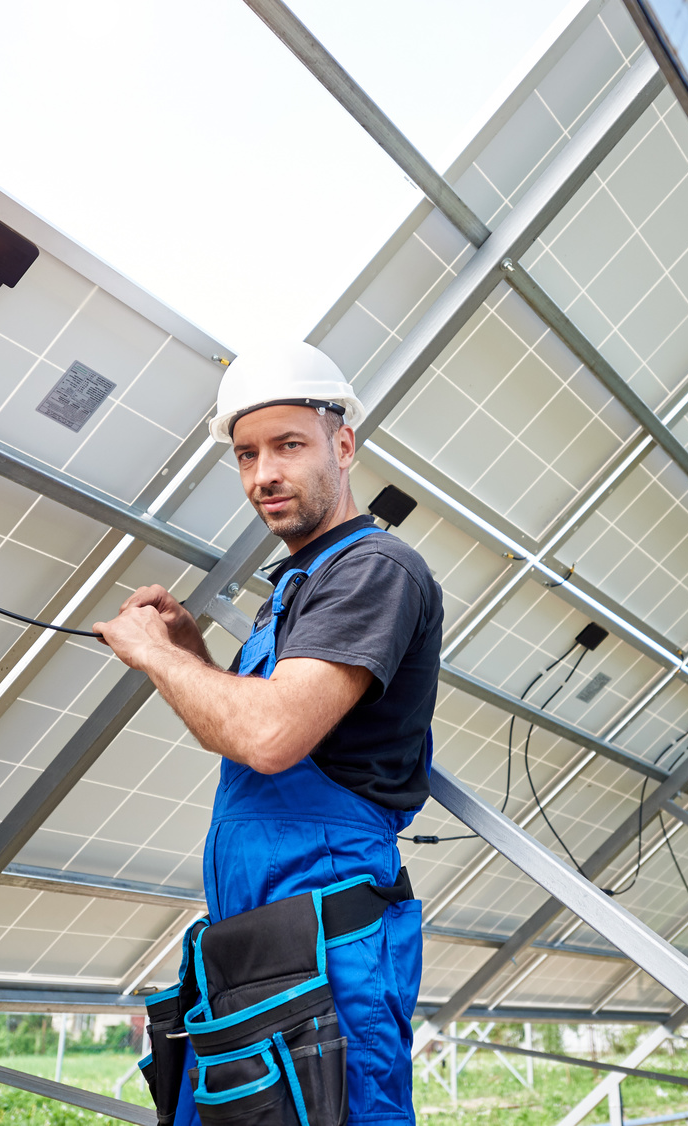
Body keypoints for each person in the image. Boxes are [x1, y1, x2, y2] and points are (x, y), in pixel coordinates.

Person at [94, 340, 442, 1126]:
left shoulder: (371, 570)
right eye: (246, 455)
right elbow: (247, 727)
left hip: (327, 946)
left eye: (288, 446)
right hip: (259, 941)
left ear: (342, 444)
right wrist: (190, 654)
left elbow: (271, 736)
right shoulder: (296, 587)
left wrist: (152, 656)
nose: (263, 475)